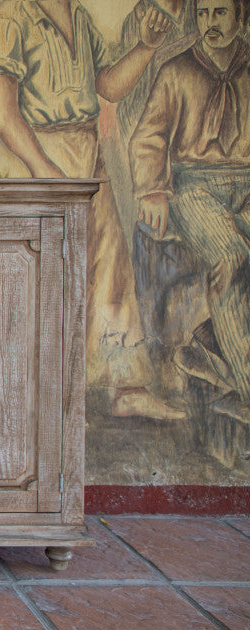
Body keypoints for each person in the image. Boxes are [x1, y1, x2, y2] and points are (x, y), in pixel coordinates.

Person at [0, 0, 186, 419]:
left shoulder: (80, 17)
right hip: (32, 160)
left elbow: (106, 86)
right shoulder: (9, 16)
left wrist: (145, 48)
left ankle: (126, 386)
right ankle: (28, 399)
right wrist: (47, 174)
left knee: (110, 268)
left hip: (86, 155)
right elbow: (1, 113)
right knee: (41, 278)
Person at [129, 0, 250, 424]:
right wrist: (153, 190)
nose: (209, 24)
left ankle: (217, 355)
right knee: (231, 256)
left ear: (242, 16)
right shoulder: (176, 69)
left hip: (247, 183)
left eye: (220, 13)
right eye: (202, 14)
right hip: (191, 186)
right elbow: (148, 136)